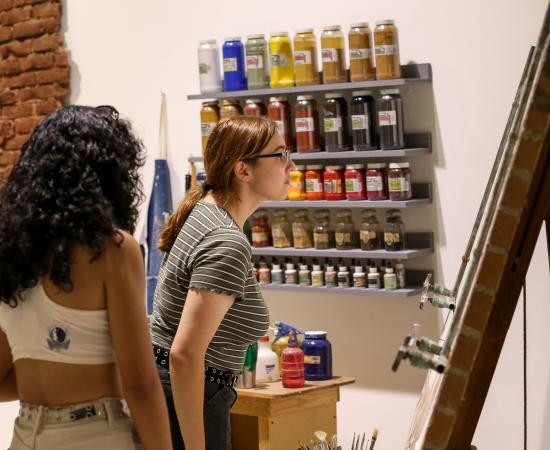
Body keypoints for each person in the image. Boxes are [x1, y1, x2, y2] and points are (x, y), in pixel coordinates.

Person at [0, 105, 172, 450]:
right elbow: (140, 385)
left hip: (26, 435)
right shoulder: (112, 249)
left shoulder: (10, 254)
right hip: (96, 433)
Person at [150, 116, 293, 450]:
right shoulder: (226, 241)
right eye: (281, 155)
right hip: (190, 396)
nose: (291, 165)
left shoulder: (205, 211)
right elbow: (185, 355)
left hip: (177, 390)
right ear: (243, 170)